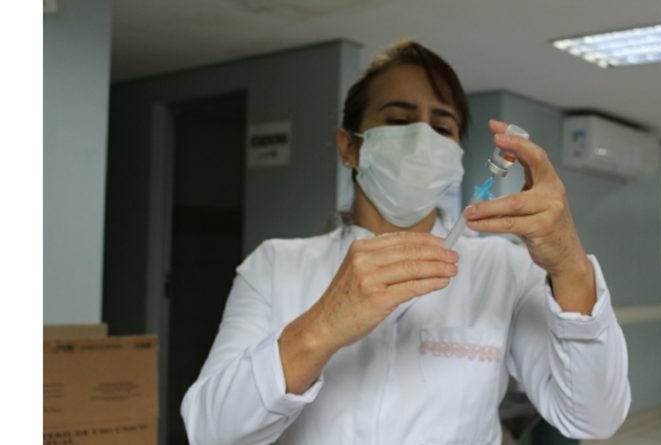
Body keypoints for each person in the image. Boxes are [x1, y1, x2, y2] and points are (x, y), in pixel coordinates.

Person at [181, 40, 631, 445]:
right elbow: (209, 432)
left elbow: (592, 418)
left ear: (456, 157)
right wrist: (321, 327)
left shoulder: (502, 268)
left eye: (442, 128)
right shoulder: (275, 265)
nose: (421, 139)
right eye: (398, 120)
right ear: (350, 147)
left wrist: (570, 266)